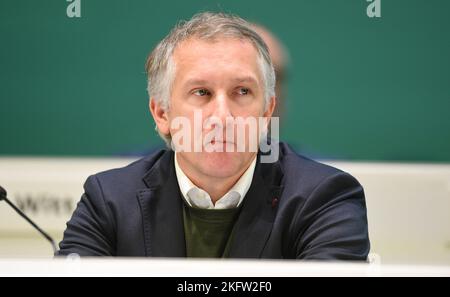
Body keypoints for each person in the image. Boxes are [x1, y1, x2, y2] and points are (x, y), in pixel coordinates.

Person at [57, 12, 370, 259]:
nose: (222, 116)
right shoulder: (109, 200)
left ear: (266, 113)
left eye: (242, 91)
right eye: (202, 92)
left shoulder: (326, 198)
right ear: (162, 113)